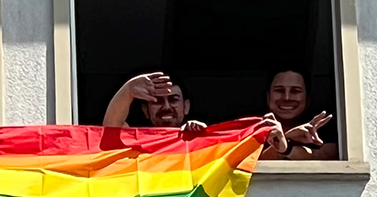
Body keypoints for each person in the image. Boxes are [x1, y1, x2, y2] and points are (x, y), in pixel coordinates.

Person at [103, 71, 288, 152]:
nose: (166, 107)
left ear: (186, 107)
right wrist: (127, 91)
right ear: (145, 110)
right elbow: (110, 133)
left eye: (173, 100)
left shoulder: (203, 140)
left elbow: (244, 165)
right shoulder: (136, 142)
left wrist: (202, 140)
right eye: (157, 101)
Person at [258, 69, 337, 160]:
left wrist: (286, 143)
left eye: (295, 91)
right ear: (268, 97)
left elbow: (327, 158)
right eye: (279, 90)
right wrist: (286, 140)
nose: (287, 98)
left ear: (308, 99)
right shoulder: (252, 129)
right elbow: (247, 163)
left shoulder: (325, 130)